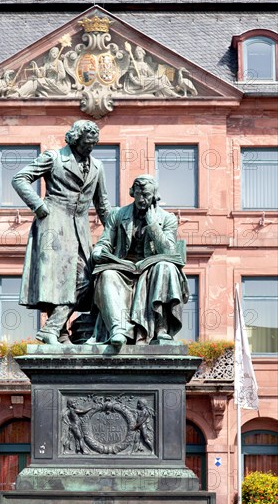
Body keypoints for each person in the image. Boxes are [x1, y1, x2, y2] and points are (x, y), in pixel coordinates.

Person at [12, 120, 111, 344]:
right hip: (53, 225)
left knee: (86, 279)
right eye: (87, 143)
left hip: (80, 229)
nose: (90, 148)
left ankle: (52, 328)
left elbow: (103, 204)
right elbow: (20, 178)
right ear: (76, 140)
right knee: (55, 280)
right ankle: (61, 332)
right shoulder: (54, 158)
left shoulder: (97, 166)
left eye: (94, 144)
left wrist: (115, 231)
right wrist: (39, 206)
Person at [90, 174, 189, 346]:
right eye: (138, 194)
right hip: (123, 269)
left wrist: (153, 227)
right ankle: (118, 329)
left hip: (152, 271)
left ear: (155, 196)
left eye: (147, 195)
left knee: (165, 266)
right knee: (107, 274)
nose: (142, 199)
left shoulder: (168, 219)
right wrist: (99, 251)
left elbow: (169, 251)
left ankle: (161, 329)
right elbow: (104, 242)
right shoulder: (118, 215)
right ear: (132, 193)